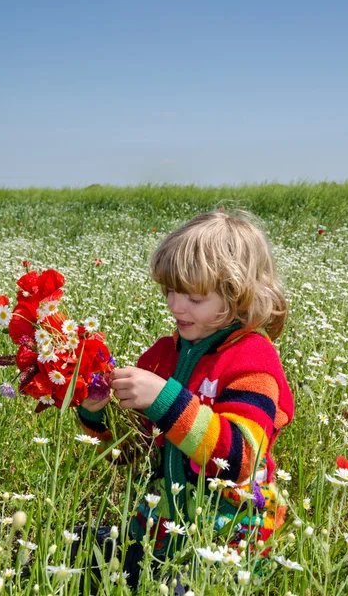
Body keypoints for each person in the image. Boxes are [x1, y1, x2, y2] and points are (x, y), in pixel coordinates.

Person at [76, 209, 294, 587]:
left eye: (194, 297)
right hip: (159, 531)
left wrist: (166, 400)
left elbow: (242, 458)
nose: (176, 306)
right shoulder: (162, 355)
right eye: (170, 292)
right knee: (73, 551)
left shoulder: (251, 359)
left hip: (224, 542)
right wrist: (99, 417)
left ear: (237, 295)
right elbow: (136, 458)